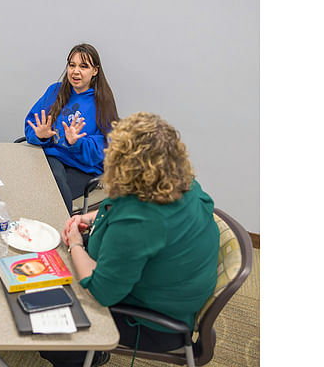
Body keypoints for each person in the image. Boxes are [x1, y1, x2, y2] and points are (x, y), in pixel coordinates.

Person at [40, 112, 219, 367]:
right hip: (171, 298)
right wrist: (94, 217)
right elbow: (125, 204)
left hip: (153, 324)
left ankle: (85, 356)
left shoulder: (139, 221)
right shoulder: (182, 184)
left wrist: (76, 243)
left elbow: (102, 291)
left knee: (48, 316)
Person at [24, 43, 119, 213]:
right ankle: (64, 230)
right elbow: (31, 127)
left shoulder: (103, 102)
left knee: (50, 193)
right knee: (53, 180)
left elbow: (108, 148)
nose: (75, 71)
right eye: (72, 65)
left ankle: (63, 231)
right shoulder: (54, 91)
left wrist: (77, 142)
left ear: (95, 71)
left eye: (83, 66)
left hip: (83, 167)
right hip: (53, 158)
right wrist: (41, 136)